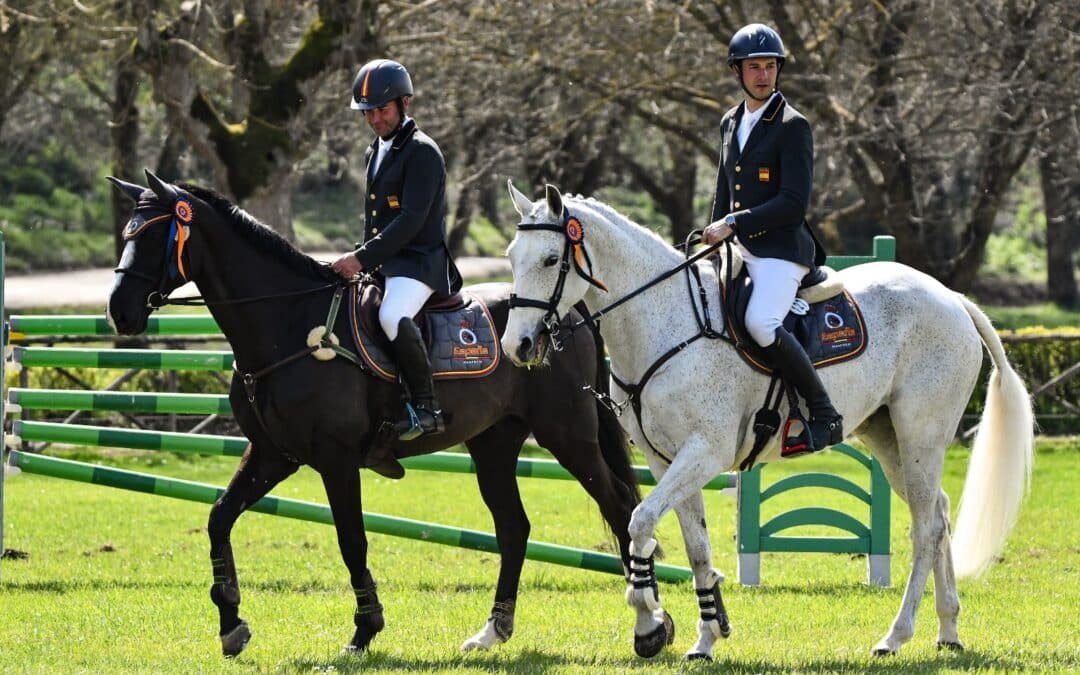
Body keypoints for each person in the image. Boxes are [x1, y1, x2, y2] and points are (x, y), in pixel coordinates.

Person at [701, 23, 842, 453]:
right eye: (753, 67)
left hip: (782, 250)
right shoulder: (729, 121)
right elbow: (723, 193)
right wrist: (709, 237)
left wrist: (736, 223)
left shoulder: (792, 125)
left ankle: (824, 413)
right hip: (739, 246)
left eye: (769, 66)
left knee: (761, 322)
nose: (763, 74)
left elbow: (793, 203)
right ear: (738, 72)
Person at [332, 58, 462, 443]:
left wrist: (361, 258)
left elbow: (409, 221)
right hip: (386, 263)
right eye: (368, 112)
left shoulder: (423, 152)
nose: (374, 119)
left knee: (391, 315)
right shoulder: (375, 151)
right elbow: (376, 220)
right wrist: (361, 256)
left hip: (419, 263)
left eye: (381, 110)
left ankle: (426, 407)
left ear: (404, 103)